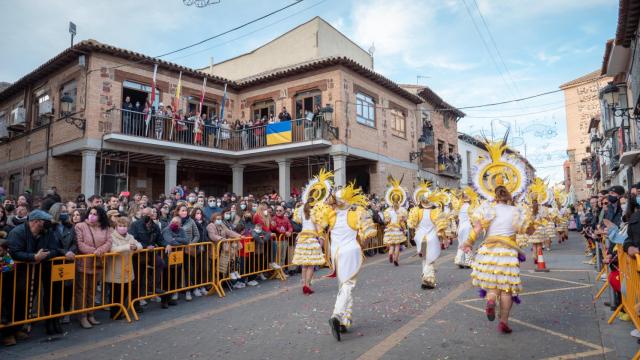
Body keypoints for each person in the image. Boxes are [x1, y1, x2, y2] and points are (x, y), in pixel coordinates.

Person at [462, 186, 536, 334]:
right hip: (507, 254)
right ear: (509, 197)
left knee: (493, 286)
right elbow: (529, 230)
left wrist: (468, 243)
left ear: (495, 197)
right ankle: (503, 322)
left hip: (488, 252)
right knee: (507, 290)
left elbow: (476, 228)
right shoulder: (516, 211)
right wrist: (532, 217)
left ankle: (490, 301)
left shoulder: (488, 209)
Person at [319, 183, 377, 341]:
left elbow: (321, 227)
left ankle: (345, 320)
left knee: (343, 285)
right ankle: (337, 315)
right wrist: (361, 247)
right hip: (350, 251)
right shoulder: (357, 212)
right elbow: (370, 232)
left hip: (336, 254)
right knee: (348, 285)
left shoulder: (330, 214)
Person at [5, 210, 60, 342]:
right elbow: (14, 252)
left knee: (26, 302)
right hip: (16, 274)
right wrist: (33, 257)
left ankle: (18, 329)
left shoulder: (47, 232)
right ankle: (8, 333)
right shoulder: (18, 232)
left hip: (34, 273)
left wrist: (44, 256)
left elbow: (54, 249)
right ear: (36, 222)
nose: (48, 224)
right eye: (45, 221)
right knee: (13, 301)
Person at [291, 170, 331, 295]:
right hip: (312, 238)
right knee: (311, 264)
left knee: (304, 263)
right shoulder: (317, 210)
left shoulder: (301, 210)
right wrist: (321, 238)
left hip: (302, 239)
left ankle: (304, 283)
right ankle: (308, 284)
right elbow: (319, 226)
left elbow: (298, 222)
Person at [75, 206, 112, 329]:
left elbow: (109, 241)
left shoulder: (105, 228)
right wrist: (94, 251)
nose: (92, 215)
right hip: (84, 262)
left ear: (100, 216)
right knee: (82, 290)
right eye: (90, 213)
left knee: (92, 290)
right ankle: (82, 316)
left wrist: (100, 251)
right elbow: (80, 243)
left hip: (98, 263)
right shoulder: (80, 226)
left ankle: (91, 314)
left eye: (95, 214)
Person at [407, 183, 447, 289]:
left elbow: (411, 225)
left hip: (420, 238)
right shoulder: (436, 211)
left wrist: (413, 235)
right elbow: (441, 227)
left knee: (425, 259)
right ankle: (427, 279)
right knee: (430, 260)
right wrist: (444, 239)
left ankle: (426, 279)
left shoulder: (416, 211)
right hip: (431, 239)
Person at [104, 217, 141, 319]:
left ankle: (122, 310)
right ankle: (115, 313)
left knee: (125, 291)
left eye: (124, 226)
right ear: (116, 227)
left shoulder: (130, 236)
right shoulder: (111, 237)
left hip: (128, 269)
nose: (122, 228)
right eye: (120, 226)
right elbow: (112, 249)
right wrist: (127, 247)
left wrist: (136, 247)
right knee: (115, 293)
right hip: (115, 269)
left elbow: (139, 245)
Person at [48, 203, 77, 328]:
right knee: (55, 290)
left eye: (66, 211)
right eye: (63, 211)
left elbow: (75, 242)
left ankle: (66, 311)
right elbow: (52, 244)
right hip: (56, 261)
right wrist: (64, 252)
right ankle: (53, 314)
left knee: (68, 288)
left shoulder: (70, 227)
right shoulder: (50, 227)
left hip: (69, 261)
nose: (66, 213)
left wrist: (71, 251)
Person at [160, 217, 188, 308]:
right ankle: (164, 300)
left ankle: (170, 298)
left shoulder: (182, 230)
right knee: (167, 279)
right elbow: (169, 240)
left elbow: (186, 240)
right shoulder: (166, 230)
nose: (175, 223)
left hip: (178, 257)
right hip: (167, 258)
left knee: (175, 279)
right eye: (173, 222)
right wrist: (178, 241)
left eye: (177, 222)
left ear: (180, 224)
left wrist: (175, 239)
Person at [382, 176, 408, 267]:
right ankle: (396, 259)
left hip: (390, 229)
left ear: (391, 199)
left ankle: (390, 254)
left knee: (392, 246)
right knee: (397, 246)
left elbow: (386, 220)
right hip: (398, 229)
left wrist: (388, 221)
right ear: (399, 199)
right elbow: (405, 219)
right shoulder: (402, 210)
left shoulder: (388, 211)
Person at [454, 188, 477, 269]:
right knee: (468, 244)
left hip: (460, 227)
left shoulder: (460, 207)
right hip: (468, 227)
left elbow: (457, 218)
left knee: (461, 244)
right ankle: (468, 261)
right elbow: (474, 219)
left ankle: (459, 259)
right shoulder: (471, 207)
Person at [271, 205, 293, 272]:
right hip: (277, 240)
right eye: (277, 210)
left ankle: (282, 271)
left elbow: (290, 227)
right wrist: (284, 232)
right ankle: (277, 272)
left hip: (284, 240)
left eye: (280, 210)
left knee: (283, 256)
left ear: (283, 211)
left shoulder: (286, 218)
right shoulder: (273, 218)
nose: (278, 212)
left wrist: (289, 232)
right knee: (277, 257)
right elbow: (274, 228)